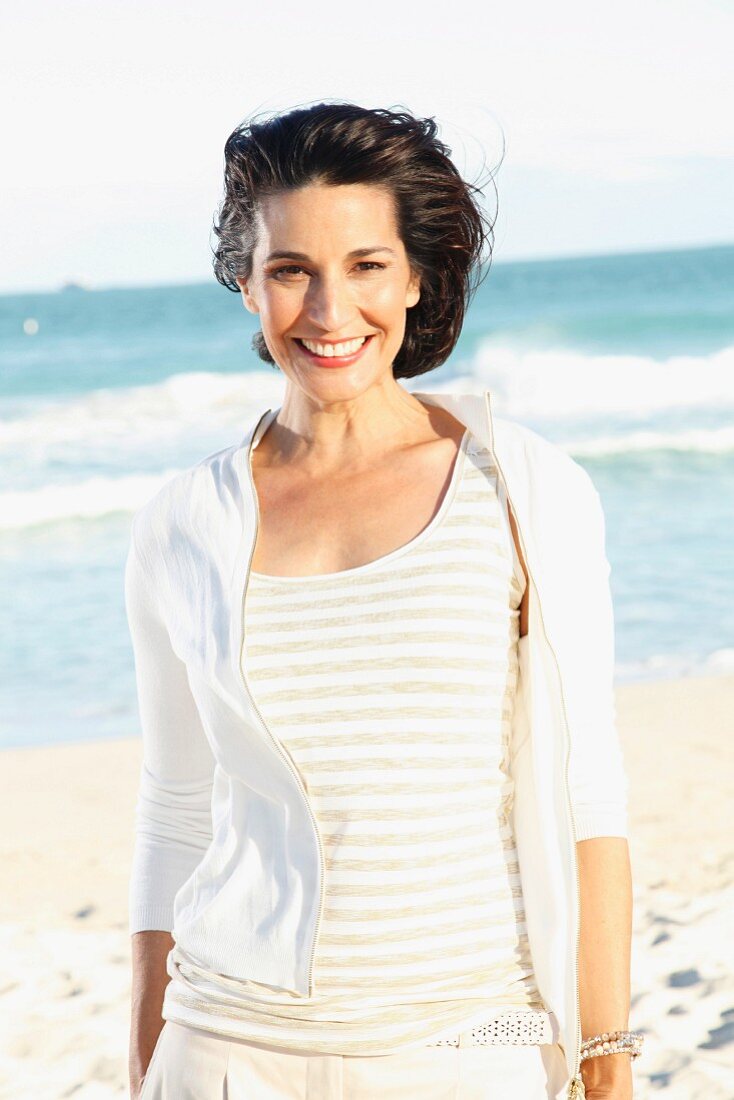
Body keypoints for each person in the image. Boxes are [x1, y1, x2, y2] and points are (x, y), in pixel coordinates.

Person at [126, 102, 641, 1100]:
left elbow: (589, 794)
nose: (327, 313)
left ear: (414, 275)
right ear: (246, 284)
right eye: (290, 271)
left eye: (365, 266)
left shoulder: (523, 489)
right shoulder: (182, 521)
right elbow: (176, 814)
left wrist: (604, 1064)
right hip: (226, 1048)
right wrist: (144, 1062)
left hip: (471, 1044)